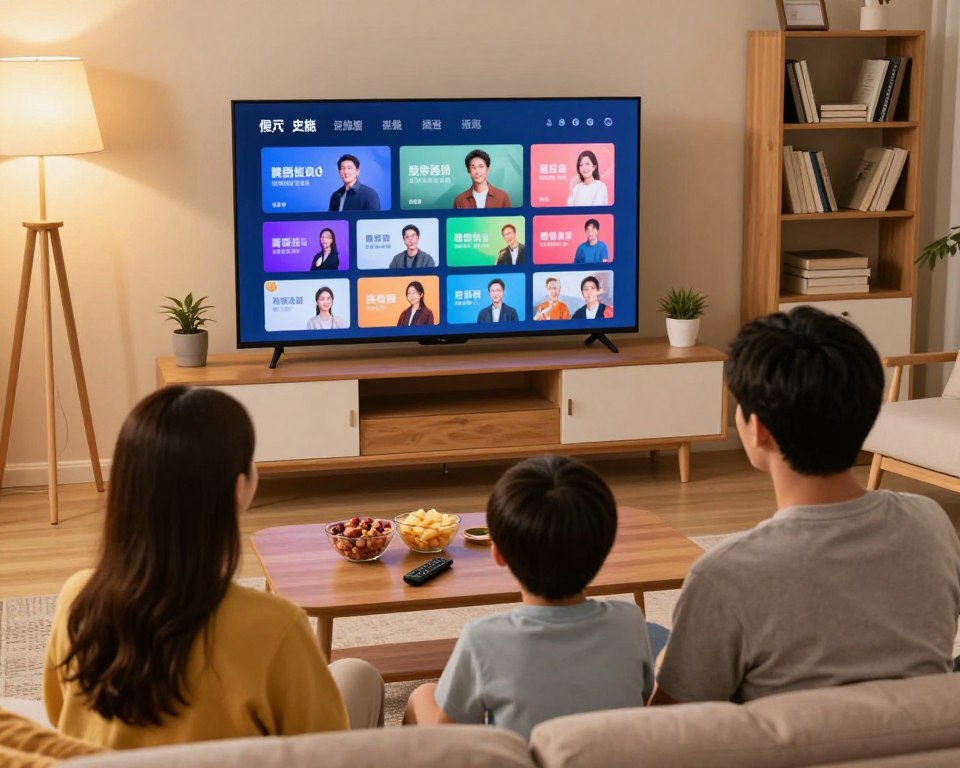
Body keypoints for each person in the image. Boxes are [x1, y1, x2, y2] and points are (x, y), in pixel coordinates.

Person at [650, 307, 960, 707]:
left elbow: (669, 726)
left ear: (757, 429)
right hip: (920, 745)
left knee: (643, 638)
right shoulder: (930, 524)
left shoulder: (725, 575)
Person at [43, 387, 384, 749]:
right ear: (239, 489)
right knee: (360, 675)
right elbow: (323, 753)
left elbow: (58, 712)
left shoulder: (77, 598)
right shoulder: (275, 625)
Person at [403, 454, 663, 739]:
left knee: (423, 695)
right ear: (606, 548)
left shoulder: (482, 639)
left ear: (497, 552)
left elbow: (456, 744)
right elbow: (642, 698)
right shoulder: (629, 622)